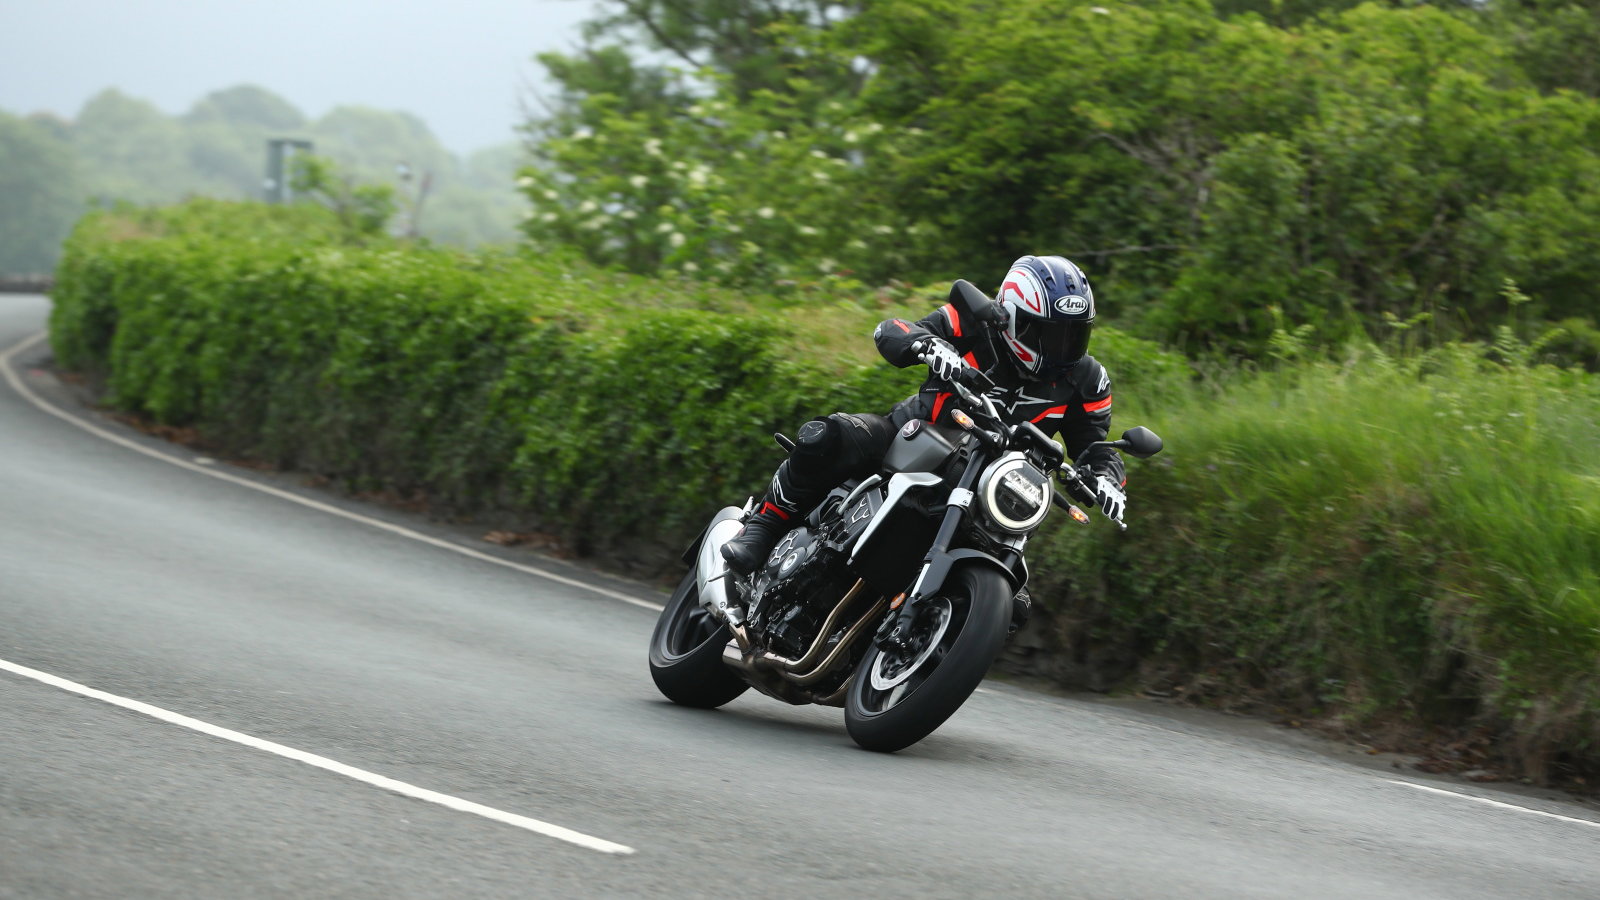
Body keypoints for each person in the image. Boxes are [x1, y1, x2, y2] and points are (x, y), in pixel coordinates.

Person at [721, 254, 1129, 580]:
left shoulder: (1088, 379)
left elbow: (1095, 445)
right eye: (1048, 334)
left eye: (1075, 334)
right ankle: (765, 525)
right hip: (917, 433)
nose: (1062, 348)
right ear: (1012, 316)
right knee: (831, 436)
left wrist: (1107, 479)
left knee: (1014, 595)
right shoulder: (975, 323)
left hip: (996, 484)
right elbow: (894, 329)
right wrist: (927, 345)